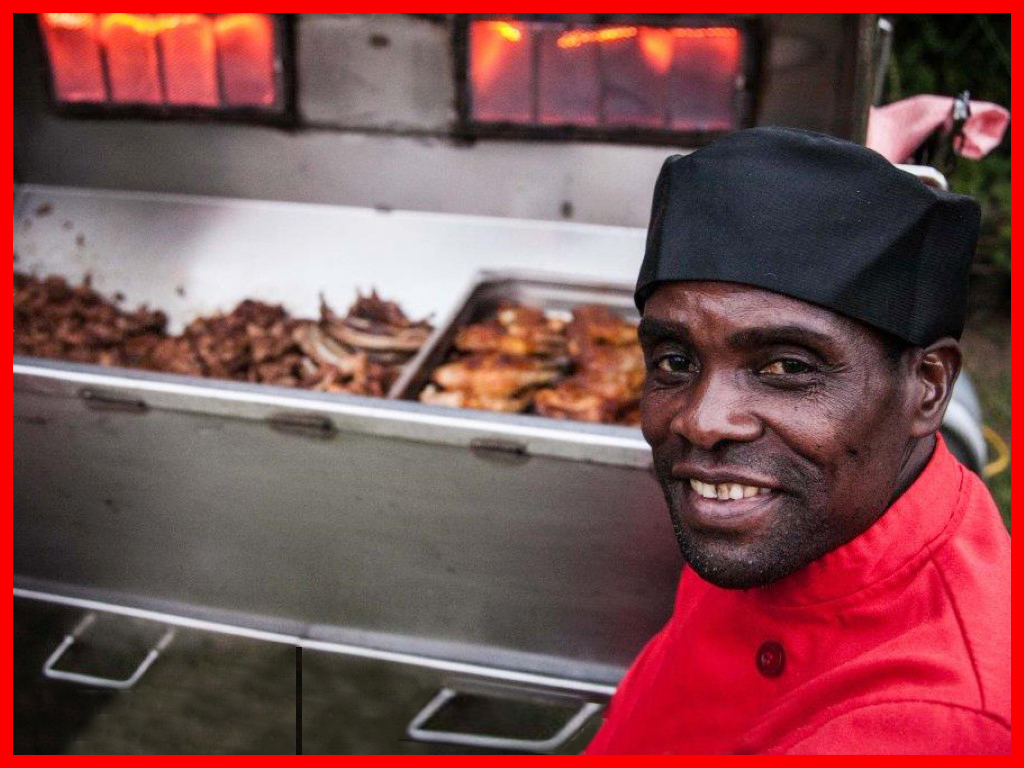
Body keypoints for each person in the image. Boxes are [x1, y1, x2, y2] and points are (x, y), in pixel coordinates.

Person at [585, 127, 1010, 754]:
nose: (703, 421)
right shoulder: (793, 508)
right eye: (676, 360)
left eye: (787, 367)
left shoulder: (930, 724)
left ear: (927, 387)